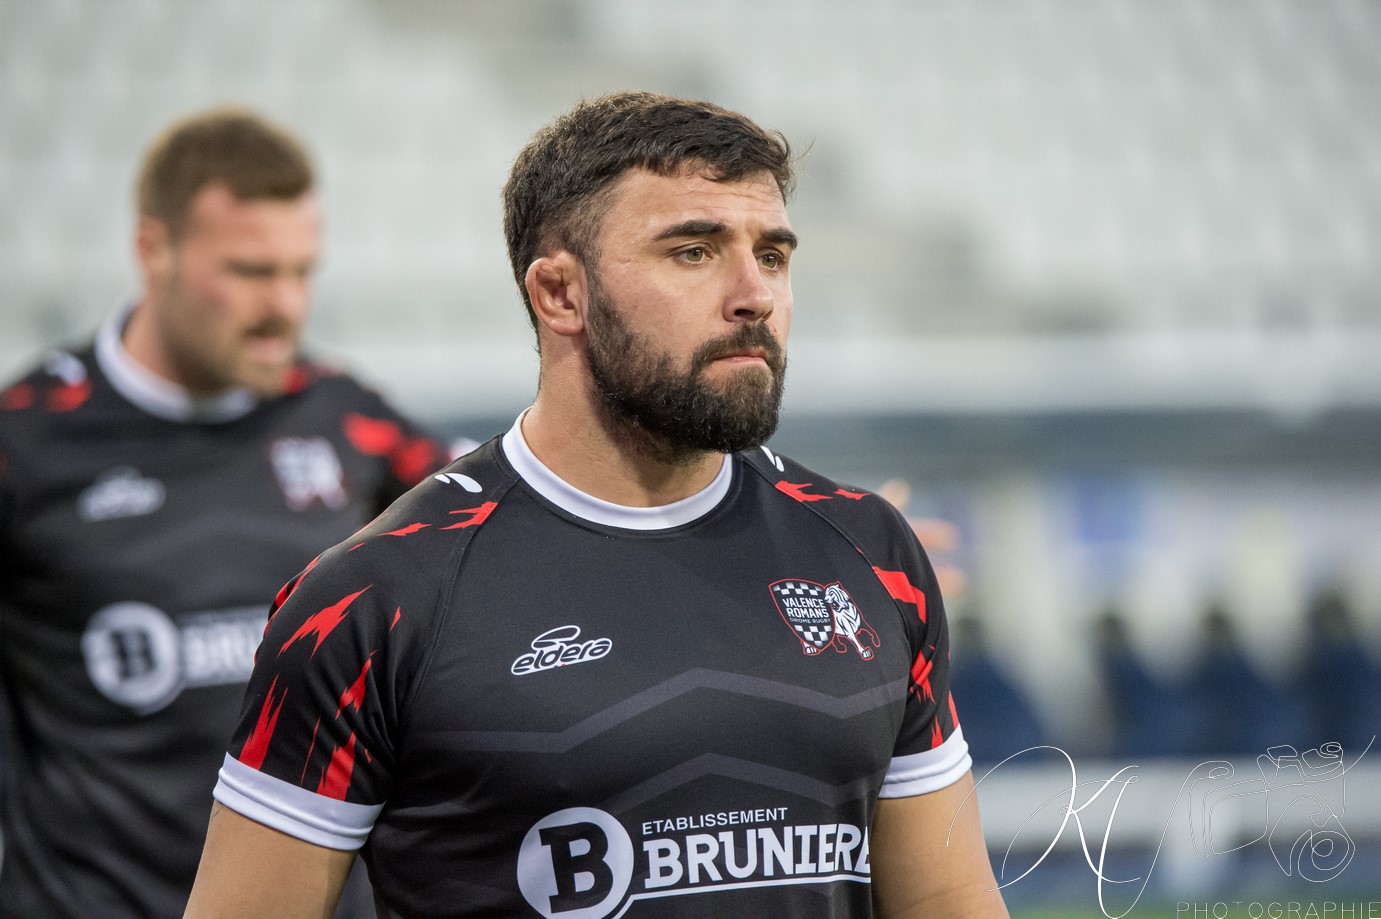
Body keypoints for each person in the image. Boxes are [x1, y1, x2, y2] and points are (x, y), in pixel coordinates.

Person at [186, 91, 1009, 917]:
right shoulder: (373, 602)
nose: (754, 293)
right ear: (559, 294)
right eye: (693, 252)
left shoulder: (871, 551)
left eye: (772, 254)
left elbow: (949, 899)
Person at [0, 108, 462, 918]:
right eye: (250, 271)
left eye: (301, 271)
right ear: (154, 249)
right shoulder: (27, 441)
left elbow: (500, 519)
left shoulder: (347, 415)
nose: (285, 304)